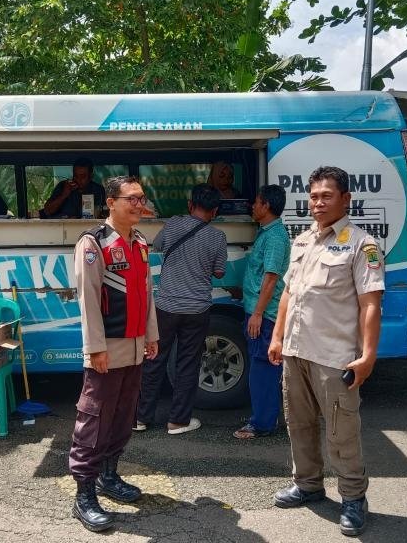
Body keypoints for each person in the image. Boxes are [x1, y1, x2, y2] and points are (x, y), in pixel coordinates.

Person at [268, 166, 384, 537]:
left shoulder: (361, 245)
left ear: (346, 199)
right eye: (313, 196)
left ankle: (353, 497)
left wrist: (367, 355)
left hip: (335, 357)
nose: (317, 203)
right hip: (296, 350)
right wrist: (276, 337)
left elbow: (370, 305)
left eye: (326, 196)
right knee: (298, 423)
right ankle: (308, 485)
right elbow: (289, 294)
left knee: (341, 432)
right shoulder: (302, 241)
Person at [68, 175, 159, 533]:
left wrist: (152, 335)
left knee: (122, 417)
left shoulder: (139, 242)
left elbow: (148, 293)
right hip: (108, 349)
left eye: (141, 198)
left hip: (135, 347)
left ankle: (109, 476)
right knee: (94, 419)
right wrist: (95, 349)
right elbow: (88, 300)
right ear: (111, 202)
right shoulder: (94, 243)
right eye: (131, 199)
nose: (138, 205)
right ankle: (84, 494)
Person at [136, 183, 228, 435]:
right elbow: (219, 272)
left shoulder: (175, 224)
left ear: (190, 205)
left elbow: (157, 246)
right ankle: (177, 421)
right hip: (197, 310)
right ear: (216, 210)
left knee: (154, 359)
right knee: (188, 364)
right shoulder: (217, 237)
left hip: (166, 306)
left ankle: (141, 418)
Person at [233, 184, 290, 439]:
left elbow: (271, 277)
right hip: (258, 311)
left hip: (265, 315)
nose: (252, 206)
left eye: (256, 202)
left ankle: (263, 424)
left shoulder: (276, 237)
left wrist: (257, 313)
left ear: (266, 206)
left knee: (263, 368)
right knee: (260, 367)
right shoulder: (266, 232)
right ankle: (262, 417)